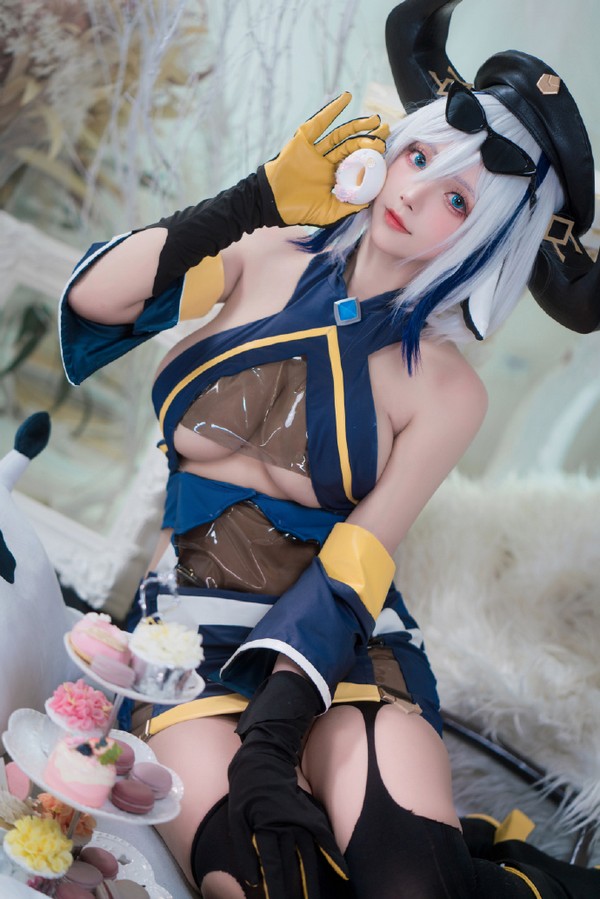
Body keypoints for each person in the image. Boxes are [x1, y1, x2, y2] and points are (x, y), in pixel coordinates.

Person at [58, 1, 600, 896]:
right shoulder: (263, 250)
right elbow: (97, 299)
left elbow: (364, 550)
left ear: (488, 237)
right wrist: (253, 198)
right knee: (259, 879)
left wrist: (276, 730)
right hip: (187, 632)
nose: (415, 194)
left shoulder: (448, 389)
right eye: (420, 157)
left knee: (409, 880)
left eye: (458, 198)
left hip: (341, 653)